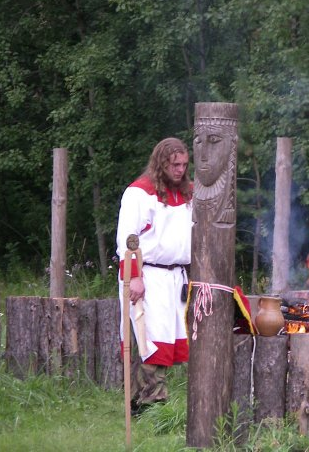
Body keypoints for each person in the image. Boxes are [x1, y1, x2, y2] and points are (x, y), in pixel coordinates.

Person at [116, 137, 193, 414]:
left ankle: (139, 401)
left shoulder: (188, 193)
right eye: (175, 165)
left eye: (184, 165)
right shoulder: (139, 193)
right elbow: (128, 238)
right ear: (161, 163)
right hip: (148, 277)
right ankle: (152, 405)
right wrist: (133, 277)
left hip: (176, 278)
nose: (180, 170)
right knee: (151, 341)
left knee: (167, 339)